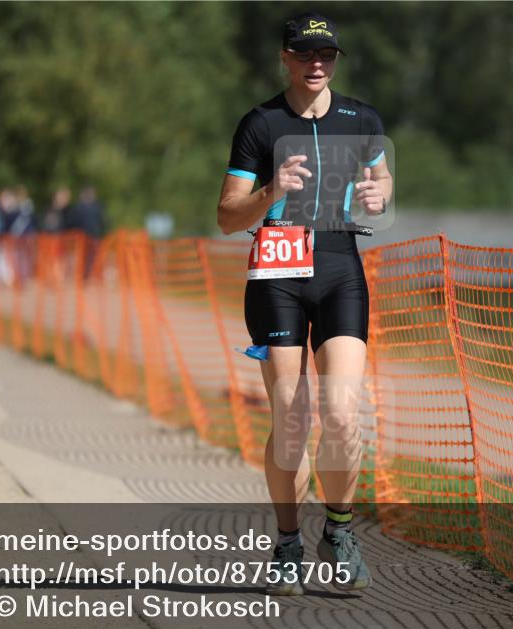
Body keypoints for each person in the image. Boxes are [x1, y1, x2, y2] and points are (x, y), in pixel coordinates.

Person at [216, 12, 392, 595]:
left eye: (327, 55)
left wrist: (378, 193)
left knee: (341, 414)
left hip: (340, 269)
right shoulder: (261, 123)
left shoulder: (362, 119)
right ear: (285, 58)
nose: (317, 64)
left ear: (336, 59)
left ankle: (339, 531)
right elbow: (226, 216)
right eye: (305, 54)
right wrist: (272, 190)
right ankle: (288, 542)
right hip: (278, 278)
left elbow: (382, 183)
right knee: (291, 421)